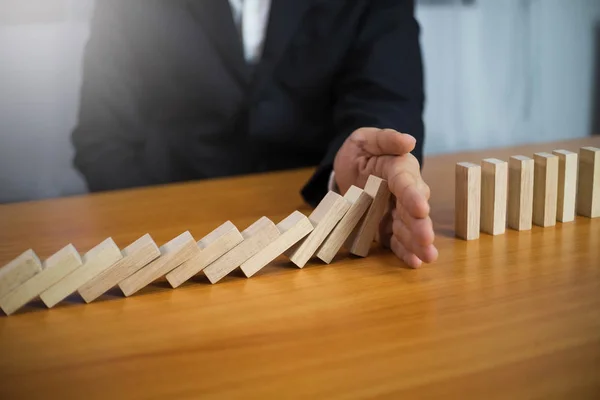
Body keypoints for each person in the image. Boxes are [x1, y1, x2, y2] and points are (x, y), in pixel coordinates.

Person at [71, 0, 438, 268]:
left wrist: (352, 188)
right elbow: (102, 137)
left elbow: (385, 101)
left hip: (315, 235)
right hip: (163, 241)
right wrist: (151, 237)